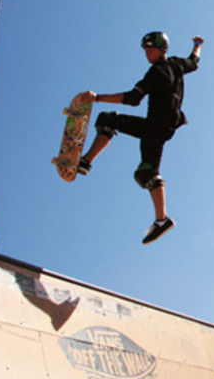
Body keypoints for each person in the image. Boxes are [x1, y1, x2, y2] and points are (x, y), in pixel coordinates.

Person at [76, 31, 205, 243]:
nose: (147, 55)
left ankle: (86, 162)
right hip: (164, 129)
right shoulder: (177, 64)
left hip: (155, 126)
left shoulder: (156, 73)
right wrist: (198, 45)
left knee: (106, 118)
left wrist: (97, 98)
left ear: (162, 49)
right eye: (145, 51)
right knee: (146, 174)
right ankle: (162, 221)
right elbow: (194, 62)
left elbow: (133, 98)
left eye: (151, 50)